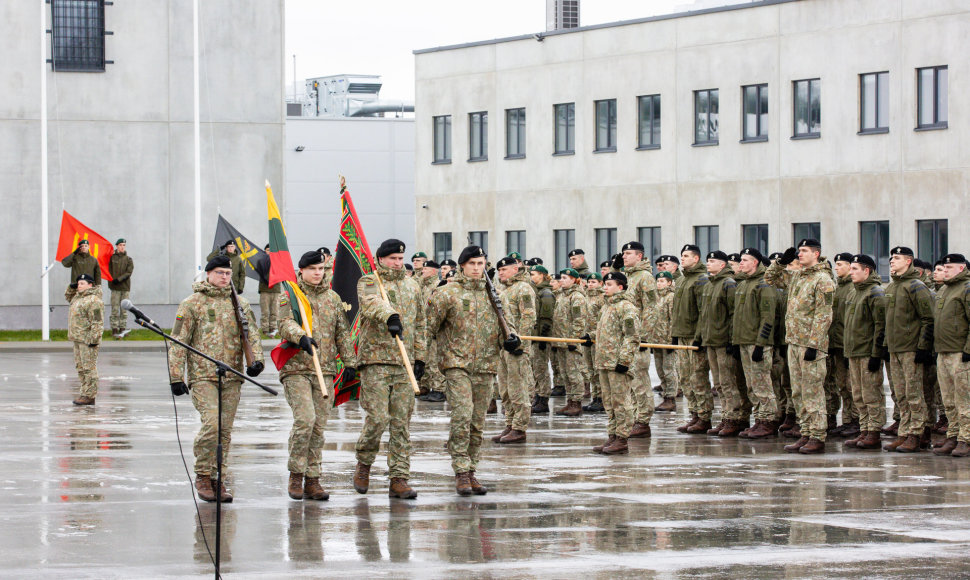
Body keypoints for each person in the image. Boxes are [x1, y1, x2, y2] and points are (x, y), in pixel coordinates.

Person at [168, 255, 266, 503]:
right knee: (212, 423)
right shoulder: (192, 303)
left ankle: (218, 478)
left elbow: (252, 335)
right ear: (208, 274)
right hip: (203, 375)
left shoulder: (240, 303)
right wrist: (176, 376)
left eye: (228, 273)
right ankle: (202, 474)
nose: (224, 277)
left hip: (232, 374)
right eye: (220, 272)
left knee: (224, 431)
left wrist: (256, 361)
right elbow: (178, 341)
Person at [429, 245, 520, 495]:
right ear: (462, 266)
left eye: (481, 264)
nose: (477, 269)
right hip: (456, 364)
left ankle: (471, 469)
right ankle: (460, 470)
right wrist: (421, 362)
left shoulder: (494, 294)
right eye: (472, 264)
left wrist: (512, 339)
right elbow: (429, 328)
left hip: (486, 365)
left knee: (477, 421)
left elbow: (507, 324)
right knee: (462, 415)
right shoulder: (447, 294)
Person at [279, 251, 358, 501]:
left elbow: (342, 333)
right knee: (305, 420)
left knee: (319, 427)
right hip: (297, 369)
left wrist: (350, 363)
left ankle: (312, 479)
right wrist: (300, 336)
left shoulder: (332, 298)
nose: (317, 273)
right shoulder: (290, 296)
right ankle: (296, 474)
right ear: (301, 270)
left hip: (325, 370)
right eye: (312, 268)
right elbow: (284, 323)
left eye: (321, 268)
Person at [353, 239, 426, 499]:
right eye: (392, 258)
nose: (397, 262)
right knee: (378, 418)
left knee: (401, 423)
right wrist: (390, 316)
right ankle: (364, 464)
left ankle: (399, 477)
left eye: (400, 258)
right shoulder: (369, 280)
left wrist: (421, 358)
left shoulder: (412, 285)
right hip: (376, 360)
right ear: (381, 259)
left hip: (404, 360)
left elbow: (420, 323)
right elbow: (371, 304)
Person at [765, 239, 835, 454]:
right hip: (794, 342)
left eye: (804, 251)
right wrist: (779, 262)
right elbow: (770, 279)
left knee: (813, 391)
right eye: (799, 251)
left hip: (810, 345)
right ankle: (805, 431)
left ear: (816, 253)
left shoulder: (823, 279)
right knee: (798, 392)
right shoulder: (797, 277)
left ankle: (817, 435)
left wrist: (814, 344)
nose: (800, 254)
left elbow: (824, 315)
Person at [882, 246, 935, 452]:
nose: (892, 261)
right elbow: (888, 321)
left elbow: (927, 319)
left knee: (914, 394)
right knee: (901, 394)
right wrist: (887, 345)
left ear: (909, 261)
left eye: (897, 258)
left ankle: (917, 433)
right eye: (891, 258)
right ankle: (904, 432)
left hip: (911, 348)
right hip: (896, 348)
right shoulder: (893, 287)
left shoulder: (916, 286)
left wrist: (923, 347)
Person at [731, 248, 779, 438]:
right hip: (743, 341)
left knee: (762, 384)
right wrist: (735, 342)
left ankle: (768, 421)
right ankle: (759, 419)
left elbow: (768, 318)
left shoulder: (763, 285)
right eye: (740, 260)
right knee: (751, 384)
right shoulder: (743, 284)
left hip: (757, 343)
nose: (740, 263)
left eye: (745, 260)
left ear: (756, 263)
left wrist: (761, 344)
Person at [592, 272, 641, 454]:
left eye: (609, 284)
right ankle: (612, 436)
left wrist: (625, 360)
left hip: (617, 363)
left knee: (621, 402)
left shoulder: (626, 307)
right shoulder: (606, 307)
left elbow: (632, 336)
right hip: (604, 362)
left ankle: (622, 438)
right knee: (609, 402)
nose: (605, 287)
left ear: (620, 287)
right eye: (604, 284)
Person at [842, 254, 887, 450]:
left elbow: (880, 325)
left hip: (868, 352)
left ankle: (874, 431)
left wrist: (876, 354)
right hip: (854, 352)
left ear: (866, 271)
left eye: (855, 269)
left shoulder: (875, 292)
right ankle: (865, 429)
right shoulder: (853, 293)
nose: (850, 273)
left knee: (871, 394)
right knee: (858, 394)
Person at [695, 250, 742, 436]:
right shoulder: (709, 284)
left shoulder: (728, 284)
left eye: (712, 261)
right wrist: (699, 337)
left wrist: (732, 340)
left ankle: (734, 418)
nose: (708, 264)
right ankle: (725, 417)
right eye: (708, 260)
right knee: (719, 383)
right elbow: (703, 315)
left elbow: (734, 315)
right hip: (711, 341)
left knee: (728, 381)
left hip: (723, 341)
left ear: (722, 265)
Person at [617, 241, 660, 437]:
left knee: (639, 382)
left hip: (636, 338)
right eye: (623, 253)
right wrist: (614, 268)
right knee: (628, 382)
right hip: (623, 338)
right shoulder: (626, 276)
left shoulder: (645, 277)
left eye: (628, 253)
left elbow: (651, 309)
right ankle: (633, 416)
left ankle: (643, 420)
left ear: (639, 256)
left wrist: (642, 336)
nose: (625, 256)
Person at [492, 256, 536, 444]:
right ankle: (510, 423)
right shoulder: (505, 290)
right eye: (499, 271)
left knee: (518, 389)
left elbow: (528, 317)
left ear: (515, 269)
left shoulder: (523, 288)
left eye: (504, 270)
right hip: (504, 346)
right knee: (506, 389)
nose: (501, 273)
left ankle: (519, 427)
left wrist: (520, 342)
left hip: (516, 347)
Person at [932, 253, 970, 457]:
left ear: (961, 268)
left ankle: (967, 439)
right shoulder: (944, 290)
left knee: (964, 399)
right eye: (943, 268)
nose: (944, 271)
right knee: (949, 400)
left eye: (949, 268)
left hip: (959, 352)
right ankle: (954, 435)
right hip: (943, 351)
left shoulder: (966, 289)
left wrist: (968, 350)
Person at [672, 244, 711, 433]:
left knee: (698, 377)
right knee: (685, 378)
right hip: (682, 335)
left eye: (686, 256)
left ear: (696, 259)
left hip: (694, 337)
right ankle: (694, 413)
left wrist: (699, 337)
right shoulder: (681, 281)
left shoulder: (701, 280)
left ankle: (704, 416)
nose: (683, 258)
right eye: (682, 255)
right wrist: (674, 334)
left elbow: (704, 312)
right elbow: (676, 311)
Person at [826, 252, 858, 436]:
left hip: (847, 346)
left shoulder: (853, 289)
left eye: (841, 264)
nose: (837, 268)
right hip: (836, 344)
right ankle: (846, 420)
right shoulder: (837, 288)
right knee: (842, 386)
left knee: (851, 385)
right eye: (836, 265)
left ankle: (855, 420)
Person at [552, 268, 589, 416]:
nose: (562, 280)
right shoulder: (561, 296)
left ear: (574, 280)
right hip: (561, 340)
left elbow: (579, 320)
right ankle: (570, 401)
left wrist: (575, 338)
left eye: (565, 278)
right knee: (565, 373)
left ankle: (577, 402)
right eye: (561, 277)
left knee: (574, 373)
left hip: (571, 341)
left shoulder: (577, 297)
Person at [67, 273, 103, 405]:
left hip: (87, 340)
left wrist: (94, 340)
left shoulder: (94, 300)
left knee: (89, 368)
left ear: (90, 285)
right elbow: (68, 296)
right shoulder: (77, 297)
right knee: (81, 368)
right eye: (78, 284)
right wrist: (71, 287)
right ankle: (84, 393)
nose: (79, 286)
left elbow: (97, 322)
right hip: (77, 338)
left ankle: (90, 395)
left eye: (82, 283)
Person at [529, 265, 556, 413]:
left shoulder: (545, 293)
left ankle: (543, 398)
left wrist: (542, 339)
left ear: (542, 275)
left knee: (541, 368)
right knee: (535, 368)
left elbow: (546, 319)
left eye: (533, 274)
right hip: (535, 336)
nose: (531, 277)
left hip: (541, 337)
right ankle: (538, 396)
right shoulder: (537, 291)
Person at [653, 271, 679, 412]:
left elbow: (673, 320)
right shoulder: (656, 298)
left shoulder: (671, 297)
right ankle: (665, 394)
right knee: (660, 370)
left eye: (662, 281)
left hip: (667, 340)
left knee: (669, 370)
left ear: (669, 282)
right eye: (658, 281)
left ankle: (671, 398)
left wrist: (672, 339)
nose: (659, 284)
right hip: (656, 340)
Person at [583, 273, 606, 413]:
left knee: (598, 370)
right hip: (587, 338)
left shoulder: (602, 298)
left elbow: (602, 320)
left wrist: (591, 334)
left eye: (593, 282)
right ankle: (595, 397)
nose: (590, 284)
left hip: (597, 338)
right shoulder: (586, 297)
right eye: (589, 282)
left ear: (600, 283)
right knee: (590, 370)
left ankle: (602, 398)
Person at [107, 238, 133, 339]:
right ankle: (114, 329)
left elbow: (129, 272)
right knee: (114, 308)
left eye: (124, 245)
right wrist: (111, 280)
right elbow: (106, 269)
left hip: (125, 287)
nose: (122, 247)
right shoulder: (111, 258)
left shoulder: (128, 259)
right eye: (120, 245)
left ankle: (123, 329)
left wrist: (119, 279)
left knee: (124, 309)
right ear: (117, 246)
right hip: (115, 287)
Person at [255, 244, 281, 337]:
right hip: (265, 289)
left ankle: (273, 328)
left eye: (271, 250)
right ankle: (265, 329)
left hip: (276, 289)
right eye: (267, 250)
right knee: (265, 311)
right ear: (265, 251)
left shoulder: (278, 261)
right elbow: (260, 273)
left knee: (275, 311)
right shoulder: (261, 261)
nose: (269, 252)